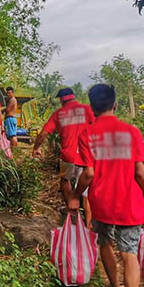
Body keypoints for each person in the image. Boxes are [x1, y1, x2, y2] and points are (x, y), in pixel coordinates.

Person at [70, 84, 144, 287]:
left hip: (101, 202)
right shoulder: (131, 132)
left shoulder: (87, 134)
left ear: (91, 108)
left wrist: (74, 196)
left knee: (105, 243)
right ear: (115, 104)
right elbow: (140, 173)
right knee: (129, 252)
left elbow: (88, 174)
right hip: (130, 203)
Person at [31, 87, 94, 226]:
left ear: (61, 99)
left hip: (68, 156)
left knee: (65, 180)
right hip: (87, 156)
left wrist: (35, 148)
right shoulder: (87, 109)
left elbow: (43, 134)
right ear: (73, 96)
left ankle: (72, 211)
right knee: (87, 190)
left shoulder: (58, 114)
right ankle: (88, 224)